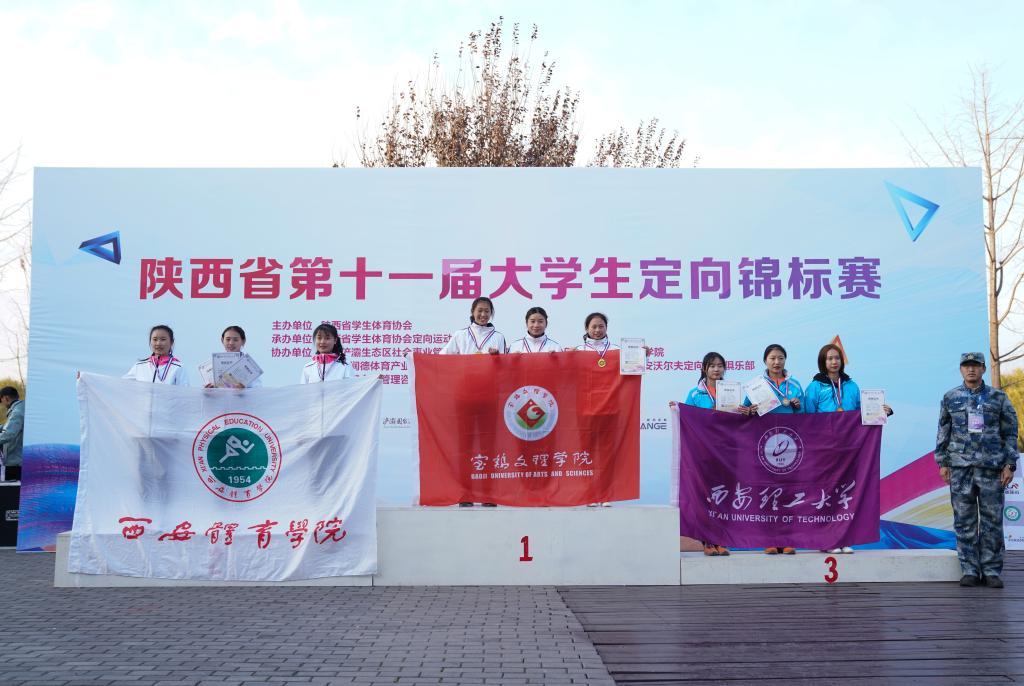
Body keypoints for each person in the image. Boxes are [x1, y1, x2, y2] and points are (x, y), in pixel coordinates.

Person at [936, 352, 1018, 589]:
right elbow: (943, 431)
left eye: (975, 366)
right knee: (964, 521)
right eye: (966, 366)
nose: (971, 370)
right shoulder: (950, 397)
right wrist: (942, 462)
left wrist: (1010, 464)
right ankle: (970, 570)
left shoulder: (998, 397)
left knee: (992, 521)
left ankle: (991, 570)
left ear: (983, 369)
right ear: (961, 369)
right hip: (960, 469)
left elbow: (1010, 432)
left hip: (991, 468)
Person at [803, 343, 893, 554]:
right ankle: (826, 541)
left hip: (848, 448)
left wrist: (882, 411)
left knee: (845, 493)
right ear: (823, 362)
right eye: (829, 358)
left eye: (837, 358)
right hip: (824, 449)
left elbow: (864, 413)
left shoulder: (852, 386)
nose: (834, 362)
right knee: (826, 494)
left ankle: (843, 538)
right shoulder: (815, 387)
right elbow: (807, 418)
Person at [740, 343, 802, 554]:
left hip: (790, 445)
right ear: (765, 361)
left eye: (780, 358)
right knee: (767, 492)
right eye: (772, 358)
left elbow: (806, 416)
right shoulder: (756, 386)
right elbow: (745, 412)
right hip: (764, 445)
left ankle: (787, 539)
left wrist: (797, 406)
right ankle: (769, 540)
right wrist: (750, 410)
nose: (777, 362)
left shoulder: (795, 385)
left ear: (785, 360)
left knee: (788, 492)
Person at [671, 352, 731, 556]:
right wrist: (677, 409)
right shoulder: (695, 394)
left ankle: (721, 540)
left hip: (725, 451)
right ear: (704, 369)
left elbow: (736, 418)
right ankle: (707, 541)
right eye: (712, 366)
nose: (716, 369)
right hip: (703, 451)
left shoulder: (731, 391)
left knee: (723, 495)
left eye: (720, 365)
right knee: (705, 496)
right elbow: (687, 416)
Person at [123, 325, 189, 385]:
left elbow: (185, 392)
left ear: (171, 342)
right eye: (155, 339)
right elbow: (123, 385)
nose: (158, 343)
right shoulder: (139, 366)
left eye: (163, 339)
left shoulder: (178, 367)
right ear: (150, 341)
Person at [440, 296, 506, 355]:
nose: (483, 314)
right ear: (472, 311)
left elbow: (504, 363)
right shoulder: (460, 335)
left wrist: (497, 357)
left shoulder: (499, 337)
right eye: (480, 310)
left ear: (491, 313)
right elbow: (443, 356)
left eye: (487, 311)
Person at [0, 386, 24, 482]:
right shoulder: (21, 408)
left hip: (15, 462)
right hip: (20, 460)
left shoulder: (17, 412)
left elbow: (8, 434)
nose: (2, 404)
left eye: (1, 400)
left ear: (6, 398)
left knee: (12, 489)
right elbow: (11, 427)